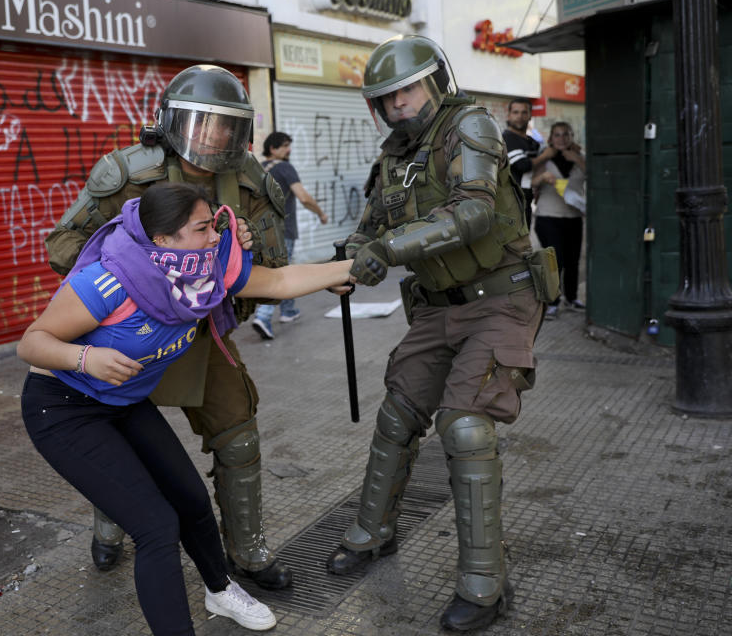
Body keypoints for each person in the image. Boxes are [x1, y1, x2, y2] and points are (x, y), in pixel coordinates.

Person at [19, 182, 353, 635]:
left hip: (124, 401)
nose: (215, 237)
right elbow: (32, 342)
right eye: (201, 229)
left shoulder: (201, 271)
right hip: (63, 408)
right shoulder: (109, 281)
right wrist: (86, 358)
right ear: (162, 241)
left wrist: (347, 268)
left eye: (213, 225)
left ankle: (220, 590)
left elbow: (277, 282)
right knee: (157, 526)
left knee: (193, 502)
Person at [327, 35, 559, 632]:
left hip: (502, 297)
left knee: (465, 425)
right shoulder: (392, 159)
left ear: (434, 84)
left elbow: (474, 210)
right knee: (398, 414)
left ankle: (485, 584)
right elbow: (366, 229)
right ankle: (373, 531)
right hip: (435, 306)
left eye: (406, 90)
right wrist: (349, 260)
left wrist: (388, 249)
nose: (397, 105)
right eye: (385, 98)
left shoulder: (471, 126)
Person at [44, 65, 294, 589]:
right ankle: (110, 525)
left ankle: (246, 549)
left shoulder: (251, 180)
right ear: (170, 121)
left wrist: (248, 244)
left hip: (206, 338)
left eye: (225, 125)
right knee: (113, 435)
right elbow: (63, 247)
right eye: (200, 123)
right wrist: (134, 250)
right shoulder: (126, 174)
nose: (212, 136)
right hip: (128, 336)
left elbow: (275, 263)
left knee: (239, 436)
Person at [250, 131, 328, 340]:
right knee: (281, 272)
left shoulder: (256, 168)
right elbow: (303, 197)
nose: (289, 149)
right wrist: (320, 213)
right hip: (282, 230)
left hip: (259, 231)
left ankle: (288, 311)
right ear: (273, 148)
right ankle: (264, 316)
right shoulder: (285, 168)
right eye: (284, 145)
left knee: (280, 268)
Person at [532, 122, 587, 320]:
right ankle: (552, 303)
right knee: (556, 262)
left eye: (566, 134)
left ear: (572, 136)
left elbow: (596, 176)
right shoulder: (544, 158)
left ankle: (571, 299)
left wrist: (578, 160)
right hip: (548, 217)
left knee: (573, 261)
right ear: (551, 138)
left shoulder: (580, 157)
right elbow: (529, 181)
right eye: (557, 135)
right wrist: (542, 178)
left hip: (573, 218)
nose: (561, 138)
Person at [502, 98, 553, 228]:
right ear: (508, 115)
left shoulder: (530, 141)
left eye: (524, 112)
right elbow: (522, 165)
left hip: (526, 201)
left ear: (530, 115)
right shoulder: (507, 138)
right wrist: (545, 156)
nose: (520, 116)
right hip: (511, 204)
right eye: (516, 112)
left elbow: (545, 155)